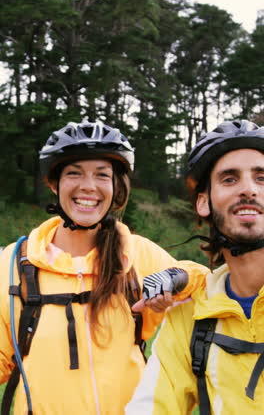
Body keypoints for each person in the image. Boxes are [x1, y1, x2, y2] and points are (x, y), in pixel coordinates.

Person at [0, 120, 208, 415]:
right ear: (53, 183)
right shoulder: (14, 264)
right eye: (74, 173)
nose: (89, 186)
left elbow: (207, 286)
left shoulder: (136, 255)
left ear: (115, 186)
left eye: (102, 175)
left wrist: (177, 279)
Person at [126, 119, 264, 415]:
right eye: (230, 179)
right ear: (204, 203)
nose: (249, 189)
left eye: (262, 178)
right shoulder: (188, 320)